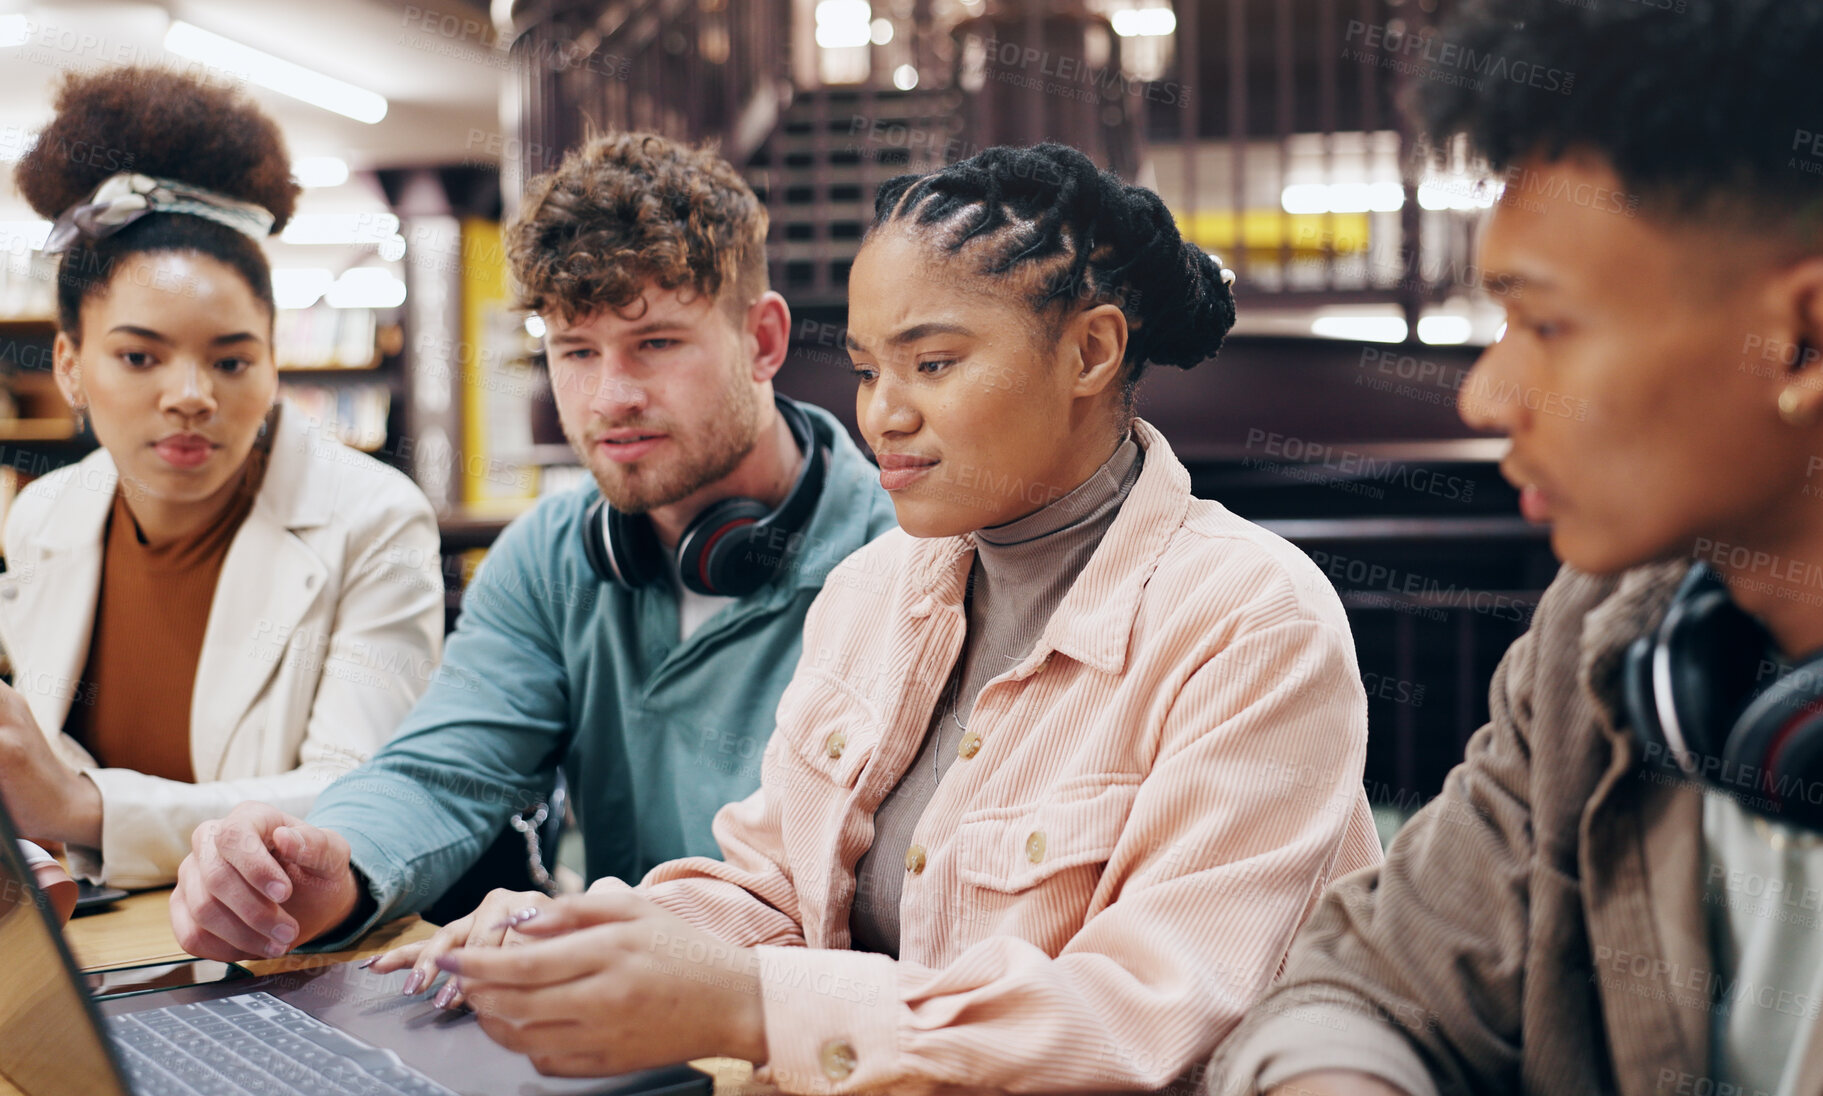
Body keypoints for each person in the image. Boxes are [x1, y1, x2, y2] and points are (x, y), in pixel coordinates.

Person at [388, 143, 1383, 1091]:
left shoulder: (1250, 622)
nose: (882, 415)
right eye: (867, 369)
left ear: (1089, 351)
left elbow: (1138, 1020)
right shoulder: (873, 587)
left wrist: (754, 1007)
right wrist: (592, 936)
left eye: (933, 364)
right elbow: (772, 885)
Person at [1209, 1, 1823, 1094]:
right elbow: (1365, 983)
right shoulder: (1604, 641)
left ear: (1801, 338)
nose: (1487, 394)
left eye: (1542, 326)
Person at [169, 132, 898, 961]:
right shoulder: (549, 554)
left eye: (655, 343)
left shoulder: (905, 558)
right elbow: (441, 771)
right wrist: (330, 868)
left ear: (764, 341)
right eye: (575, 352)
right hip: (621, 1035)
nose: (611, 396)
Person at [0, 66, 443, 890]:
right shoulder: (42, 517)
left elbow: (364, 798)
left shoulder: (375, 519)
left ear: (275, 364)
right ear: (68, 366)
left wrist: (84, 806)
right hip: (99, 948)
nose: (192, 397)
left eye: (232, 360)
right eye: (139, 357)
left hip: (280, 958)